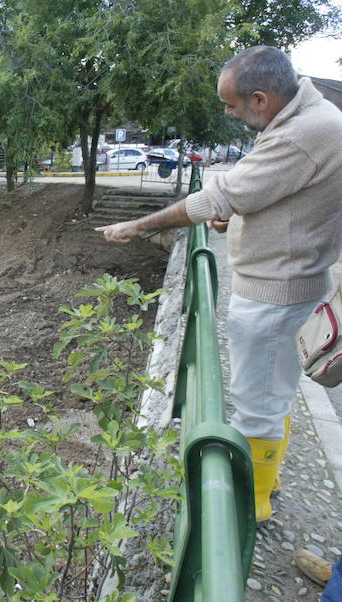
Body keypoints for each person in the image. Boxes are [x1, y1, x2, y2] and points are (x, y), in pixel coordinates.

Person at [95, 46, 342, 523]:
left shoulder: (300, 135)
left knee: (257, 406)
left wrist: (138, 226)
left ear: (260, 99)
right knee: (274, 394)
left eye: (231, 105)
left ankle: (250, 506)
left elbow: (219, 195)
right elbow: (278, 195)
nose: (227, 113)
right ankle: (267, 481)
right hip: (292, 281)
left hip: (277, 293)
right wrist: (245, 220)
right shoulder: (311, 117)